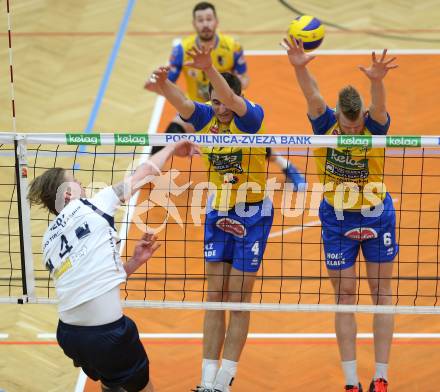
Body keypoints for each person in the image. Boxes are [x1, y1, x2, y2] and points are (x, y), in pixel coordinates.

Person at [150, 44, 274, 392]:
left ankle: (225, 379)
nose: (219, 107)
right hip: (219, 212)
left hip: (253, 214)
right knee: (214, 296)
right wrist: (164, 85)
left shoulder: (250, 117)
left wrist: (208, 69)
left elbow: (232, 101)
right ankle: (206, 382)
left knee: (237, 298)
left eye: (223, 100)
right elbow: (185, 105)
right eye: (214, 101)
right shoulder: (206, 118)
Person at [28, 140, 199, 392]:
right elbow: (147, 171)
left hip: (69, 336)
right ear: (67, 193)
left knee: (113, 382)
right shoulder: (93, 205)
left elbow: (91, 279)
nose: (81, 184)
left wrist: (133, 262)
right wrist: (173, 147)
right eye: (74, 181)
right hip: (106, 334)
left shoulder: (48, 240)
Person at [282, 36, 398, 392]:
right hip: (336, 218)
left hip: (376, 215)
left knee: (380, 291)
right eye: (345, 130)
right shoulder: (324, 125)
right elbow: (312, 95)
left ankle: (381, 377)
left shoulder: (374, 126)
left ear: (362, 116)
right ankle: (351, 382)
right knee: (345, 295)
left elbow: (379, 106)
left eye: (355, 128)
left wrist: (377, 81)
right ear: (337, 118)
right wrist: (299, 68)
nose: (350, 134)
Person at [145, 1, 306, 189]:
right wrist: (158, 84)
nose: (205, 24)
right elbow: (169, 81)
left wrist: (232, 89)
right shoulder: (182, 49)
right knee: (170, 135)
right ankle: (146, 170)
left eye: (208, 19)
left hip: (228, 107)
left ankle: (287, 167)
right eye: (200, 20)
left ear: (216, 22)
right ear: (194, 24)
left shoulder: (232, 46)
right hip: (198, 108)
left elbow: (245, 78)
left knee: (254, 141)